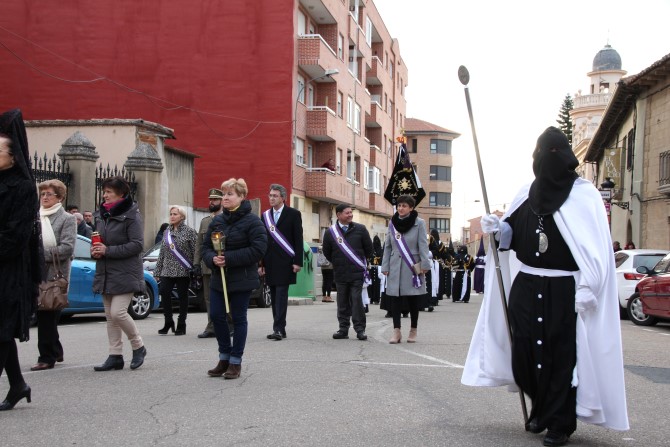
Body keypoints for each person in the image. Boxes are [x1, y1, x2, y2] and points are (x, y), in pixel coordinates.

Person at [462, 127, 628, 446]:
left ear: (565, 157)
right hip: (527, 284)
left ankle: (559, 422)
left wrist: (589, 287)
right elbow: (513, 237)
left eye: (553, 153)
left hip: (565, 288)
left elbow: (595, 250)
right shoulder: (526, 192)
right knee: (524, 350)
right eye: (541, 153)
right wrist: (499, 230)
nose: (546, 160)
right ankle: (540, 406)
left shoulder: (584, 195)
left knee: (561, 356)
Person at [202, 178, 267, 379]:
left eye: (230, 194)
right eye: (224, 194)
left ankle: (235, 361)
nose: (225, 198)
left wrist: (228, 259)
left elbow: (258, 249)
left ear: (241, 197)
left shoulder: (253, 221)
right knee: (217, 315)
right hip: (218, 278)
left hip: (242, 278)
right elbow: (205, 247)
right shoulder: (217, 221)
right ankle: (224, 356)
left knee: (238, 319)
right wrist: (213, 259)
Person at [0, 109, 42, 411]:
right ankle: (18, 384)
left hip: (10, 272)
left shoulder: (24, 188)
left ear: (13, 157)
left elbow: (15, 237)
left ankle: (17, 385)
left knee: (1, 332)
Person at [91, 176, 147, 371]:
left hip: (126, 271)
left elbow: (137, 245)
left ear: (121, 194)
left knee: (118, 312)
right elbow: (99, 241)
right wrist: (96, 250)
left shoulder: (132, 215)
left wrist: (108, 251)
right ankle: (115, 355)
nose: (105, 195)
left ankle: (138, 345)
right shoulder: (100, 215)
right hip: (106, 270)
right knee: (109, 316)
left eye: (109, 192)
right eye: (104, 191)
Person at [31, 179, 77, 371]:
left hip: (55, 275)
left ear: (59, 197)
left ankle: (46, 357)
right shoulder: (36, 217)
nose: (44, 197)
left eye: (49, 194)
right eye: (42, 194)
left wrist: (40, 254)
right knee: (45, 315)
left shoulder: (67, 218)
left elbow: (67, 248)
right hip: (34, 272)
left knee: (47, 316)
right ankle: (56, 349)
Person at [381, 195, 431, 343]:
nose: (401, 208)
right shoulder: (392, 223)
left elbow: (423, 245)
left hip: (412, 266)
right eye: (399, 205)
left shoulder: (419, 223)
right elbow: (388, 246)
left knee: (413, 299)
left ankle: (413, 330)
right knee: (395, 299)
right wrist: (385, 265)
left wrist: (425, 265)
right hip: (395, 265)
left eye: (404, 206)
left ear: (411, 208)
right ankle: (396, 331)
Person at [322, 204, 373, 341]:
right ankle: (343, 329)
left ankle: (360, 329)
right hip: (340, 273)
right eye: (347, 213)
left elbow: (369, 249)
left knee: (356, 300)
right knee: (342, 301)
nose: (350, 215)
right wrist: (338, 262)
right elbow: (327, 252)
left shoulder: (360, 229)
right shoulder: (330, 232)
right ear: (338, 215)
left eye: (351, 212)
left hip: (357, 273)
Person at [260, 184, 303, 341]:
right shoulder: (265, 216)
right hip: (270, 262)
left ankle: (279, 328)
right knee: (273, 295)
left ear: (283, 197)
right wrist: (261, 264)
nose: (271, 198)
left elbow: (298, 239)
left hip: (286, 262)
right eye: (270, 195)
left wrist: (298, 262)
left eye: (275, 196)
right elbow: (262, 241)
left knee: (281, 296)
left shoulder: (293, 214)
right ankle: (278, 328)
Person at [154, 205, 197, 336]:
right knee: (164, 292)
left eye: (175, 214)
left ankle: (181, 323)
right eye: (171, 214)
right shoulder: (167, 231)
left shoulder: (189, 231)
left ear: (182, 217)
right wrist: (157, 271)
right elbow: (162, 252)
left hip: (183, 269)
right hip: (167, 269)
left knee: (182, 296)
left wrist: (196, 267)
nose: (172, 216)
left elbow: (196, 251)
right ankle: (168, 321)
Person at [195, 188, 225, 338]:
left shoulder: (227, 219)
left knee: (227, 296)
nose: (211, 202)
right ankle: (211, 326)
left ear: (221, 201)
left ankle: (228, 324)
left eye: (215, 199)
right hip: (208, 266)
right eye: (210, 199)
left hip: (224, 264)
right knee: (209, 298)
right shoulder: (205, 221)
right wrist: (196, 264)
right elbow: (199, 245)